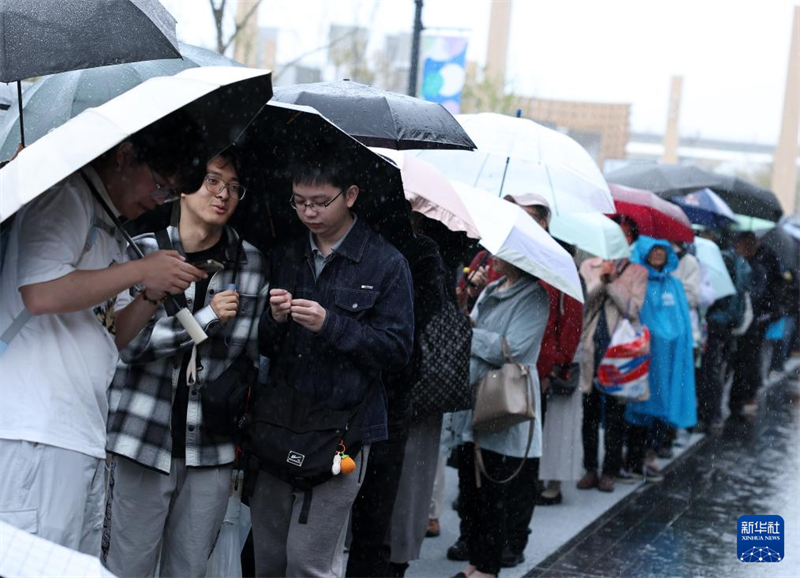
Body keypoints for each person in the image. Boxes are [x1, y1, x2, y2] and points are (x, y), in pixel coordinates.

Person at [0, 117, 206, 553]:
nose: (157, 199)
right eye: (159, 184)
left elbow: (107, 338)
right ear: (125, 154)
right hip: (38, 429)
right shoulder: (66, 196)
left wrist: (148, 294)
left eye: (169, 194)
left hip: (81, 431)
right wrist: (139, 270)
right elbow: (38, 292)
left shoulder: (109, 225)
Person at [102, 151, 267, 577]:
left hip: (210, 445)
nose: (223, 194)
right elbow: (127, 344)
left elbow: (247, 357)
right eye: (213, 181)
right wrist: (208, 317)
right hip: (142, 434)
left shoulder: (250, 264)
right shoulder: (141, 250)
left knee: (189, 569)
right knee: (127, 566)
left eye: (233, 187)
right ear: (186, 185)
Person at [251, 156, 414, 578]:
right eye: (299, 201)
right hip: (280, 419)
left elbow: (397, 352)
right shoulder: (286, 253)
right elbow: (264, 345)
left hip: (345, 429)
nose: (309, 212)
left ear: (351, 196)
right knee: (267, 556)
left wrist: (332, 324)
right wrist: (275, 319)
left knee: (310, 560)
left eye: (321, 202)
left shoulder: (386, 262)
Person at [347, 212, 449, 578]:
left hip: (391, 388)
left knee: (376, 503)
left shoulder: (416, 251)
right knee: (369, 504)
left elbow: (419, 315)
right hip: (372, 389)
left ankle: (380, 565)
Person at [449, 257, 547, 578]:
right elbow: (477, 330)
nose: (493, 258)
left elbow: (512, 349)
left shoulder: (534, 296)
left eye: (502, 253)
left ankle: (488, 568)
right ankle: (476, 562)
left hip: (504, 398)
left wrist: (471, 335)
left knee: (494, 487)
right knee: (473, 486)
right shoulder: (491, 288)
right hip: (476, 392)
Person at [625, 237, 696, 478]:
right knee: (638, 404)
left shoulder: (673, 284)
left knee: (662, 405)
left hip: (667, 358)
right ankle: (633, 457)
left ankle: (651, 454)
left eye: (662, 250)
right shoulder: (636, 279)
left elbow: (682, 321)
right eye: (653, 250)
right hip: (642, 355)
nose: (658, 255)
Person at [577, 256, 647, 491]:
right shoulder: (589, 266)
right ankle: (589, 468)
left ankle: (609, 469)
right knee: (589, 412)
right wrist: (600, 280)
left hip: (620, 352)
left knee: (616, 413)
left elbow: (633, 309)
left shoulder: (638, 272)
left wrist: (614, 283)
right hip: (592, 348)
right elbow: (585, 302)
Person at [729, 232, 784, 417]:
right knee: (733, 363)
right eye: (742, 244)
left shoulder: (759, 267)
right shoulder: (733, 263)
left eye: (749, 244)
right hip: (734, 321)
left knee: (746, 362)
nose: (745, 248)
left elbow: (759, 293)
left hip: (753, 323)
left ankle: (740, 400)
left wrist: (744, 294)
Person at [698, 248, 752, 432]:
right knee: (715, 371)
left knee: (708, 372)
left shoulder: (719, 261)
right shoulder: (735, 261)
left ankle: (708, 415)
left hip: (715, 324)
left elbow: (717, 297)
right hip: (726, 326)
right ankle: (712, 414)